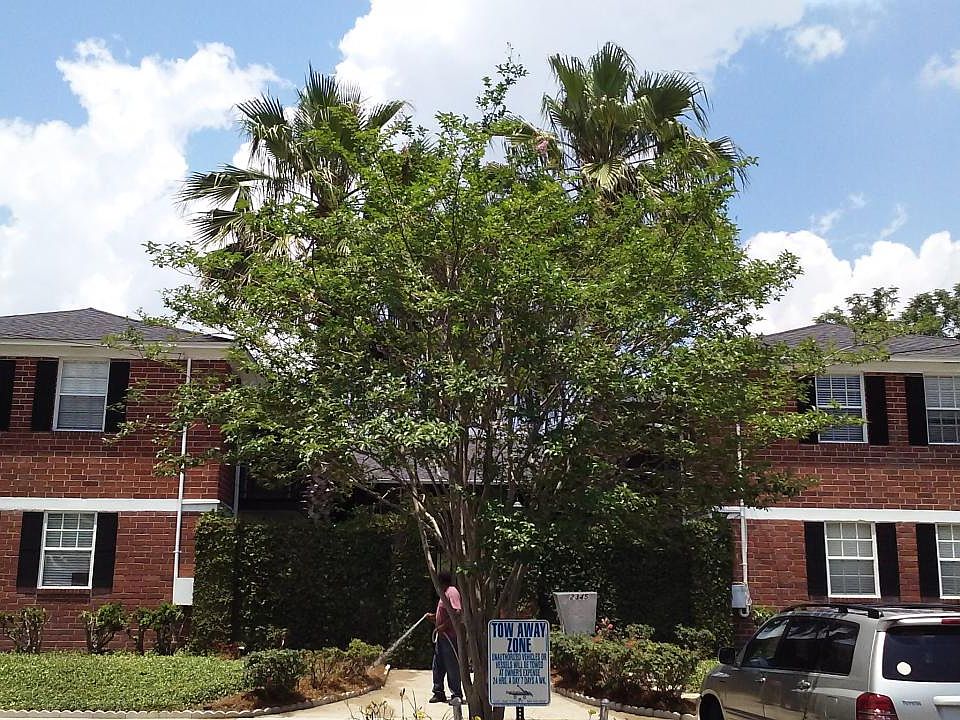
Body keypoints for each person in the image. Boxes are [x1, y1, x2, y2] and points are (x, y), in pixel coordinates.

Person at [427, 570, 462, 703]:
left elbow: (457, 612)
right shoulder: (444, 593)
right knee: (437, 665)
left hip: (450, 637)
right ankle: (438, 692)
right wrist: (433, 617)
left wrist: (444, 626)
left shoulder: (452, 591)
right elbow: (445, 613)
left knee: (452, 665)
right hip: (442, 638)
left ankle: (456, 694)